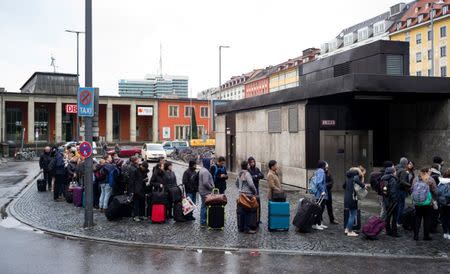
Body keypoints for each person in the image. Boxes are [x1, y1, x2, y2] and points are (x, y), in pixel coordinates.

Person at [343, 166, 367, 237]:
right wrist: (363, 185)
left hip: (347, 198)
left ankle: (347, 229)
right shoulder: (355, 176)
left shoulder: (348, 177)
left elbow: (343, 186)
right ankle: (350, 231)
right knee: (353, 214)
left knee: (351, 214)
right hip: (352, 198)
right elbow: (357, 180)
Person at [412, 168, 434, 241]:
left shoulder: (415, 179)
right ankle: (426, 236)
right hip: (428, 203)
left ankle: (416, 235)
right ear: (426, 172)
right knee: (427, 219)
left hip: (417, 203)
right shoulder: (430, 180)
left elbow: (412, 189)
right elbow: (435, 190)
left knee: (417, 218)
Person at [236, 160, 258, 234]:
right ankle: (247, 228)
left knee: (242, 212)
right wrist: (255, 192)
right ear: (247, 166)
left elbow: (236, 183)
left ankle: (241, 228)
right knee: (248, 212)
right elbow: (251, 184)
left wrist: (240, 189)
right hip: (248, 195)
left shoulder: (239, 173)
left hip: (241, 195)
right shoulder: (247, 174)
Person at [382, 167, 400, 237]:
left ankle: (388, 230)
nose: (396, 172)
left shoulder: (383, 178)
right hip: (392, 201)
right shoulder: (392, 179)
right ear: (392, 172)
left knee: (388, 216)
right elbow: (393, 192)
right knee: (394, 217)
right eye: (395, 171)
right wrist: (395, 200)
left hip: (386, 200)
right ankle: (394, 232)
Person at [312, 160, 328, 230]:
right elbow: (319, 182)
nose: (327, 165)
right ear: (323, 165)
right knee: (319, 209)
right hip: (320, 194)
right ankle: (315, 224)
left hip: (320, 193)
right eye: (326, 164)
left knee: (321, 208)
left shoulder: (318, 170)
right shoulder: (321, 171)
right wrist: (322, 191)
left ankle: (319, 223)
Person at [199, 158, 215, 227]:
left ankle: (203, 220)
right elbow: (205, 182)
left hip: (203, 191)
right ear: (207, 163)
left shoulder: (202, 169)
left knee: (204, 206)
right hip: (205, 191)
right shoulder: (205, 171)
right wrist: (211, 187)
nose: (211, 163)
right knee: (204, 206)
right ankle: (203, 221)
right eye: (210, 162)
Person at [396, 157, 411, 226]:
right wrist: (410, 185)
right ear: (405, 163)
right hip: (401, 190)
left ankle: (397, 220)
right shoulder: (403, 171)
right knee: (401, 206)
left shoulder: (397, 168)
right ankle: (399, 221)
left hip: (397, 189)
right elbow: (402, 181)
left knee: (398, 205)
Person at [438, 169, 450, 240]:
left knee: (443, 218)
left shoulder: (441, 182)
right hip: (449, 203)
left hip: (442, 203)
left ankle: (445, 232)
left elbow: (438, 192)